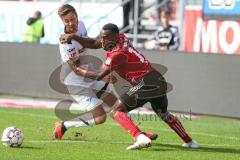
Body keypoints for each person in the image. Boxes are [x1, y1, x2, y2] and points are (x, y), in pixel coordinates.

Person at [59, 23, 199, 149]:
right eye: (102, 37)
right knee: (164, 114)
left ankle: (140, 137)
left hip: (146, 83)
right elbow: (95, 43)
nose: (102, 41)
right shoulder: (120, 38)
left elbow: (98, 76)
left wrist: (78, 70)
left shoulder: (117, 54)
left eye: (105, 38)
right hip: (158, 80)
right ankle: (189, 142)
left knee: (115, 111)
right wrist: (73, 36)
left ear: (114, 37)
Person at [52, 4, 157, 150]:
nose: (71, 23)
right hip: (77, 82)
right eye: (66, 21)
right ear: (62, 21)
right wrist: (101, 77)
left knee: (117, 107)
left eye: (72, 18)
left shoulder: (80, 25)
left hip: (90, 74)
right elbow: (76, 70)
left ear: (76, 15)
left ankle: (139, 134)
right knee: (100, 118)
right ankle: (63, 126)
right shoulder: (66, 43)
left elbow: (93, 44)